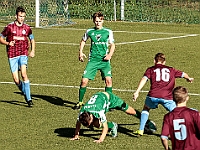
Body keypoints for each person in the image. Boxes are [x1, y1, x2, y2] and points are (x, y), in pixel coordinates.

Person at [133, 53, 194, 136]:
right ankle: (183, 132)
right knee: (177, 113)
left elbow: (144, 79)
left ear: (154, 61)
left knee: (146, 108)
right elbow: (183, 74)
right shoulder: (171, 69)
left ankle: (141, 130)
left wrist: (137, 91)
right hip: (167, 97)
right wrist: (189, 78)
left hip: (153, 96)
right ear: (164, 62)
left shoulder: (150, 69)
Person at [73, 11, 115, 109]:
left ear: (102, 21)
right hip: (93, 61)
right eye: (96, 21)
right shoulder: (89, 31)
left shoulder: (108, 32)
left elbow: (112, 45)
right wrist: (81, 52)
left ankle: (108, 103)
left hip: (104, 61)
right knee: (84, 81)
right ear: (93, 21)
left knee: (108, 81)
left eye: (99, 21)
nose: (97, 23)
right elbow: (83, 41)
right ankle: (80, 102)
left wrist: (109, 55)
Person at [71, 91, 144, 143]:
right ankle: (113, 125)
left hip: (110, 99)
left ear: (90, 116)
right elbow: (78, 123)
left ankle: (145, 120)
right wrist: (76, 135)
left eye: (89, 123)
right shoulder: (82, 112)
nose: (89, 125)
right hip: (101, 101)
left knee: (130, 111)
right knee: (97, 124)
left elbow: (105, 127)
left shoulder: (98, 111)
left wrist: (101, 140)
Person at [0, 6, 35, 107]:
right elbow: (0, 38)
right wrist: (7, 43)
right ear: (16, 16)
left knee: (24, 74)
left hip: (23, 53)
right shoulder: (9, 27)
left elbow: (32, 39)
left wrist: (32, 50)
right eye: (20, 16)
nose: (22, 18)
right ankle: (24, 91)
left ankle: (29, 99)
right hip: (12, 55)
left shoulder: (27, 28)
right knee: (16, 79)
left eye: (23, 16)